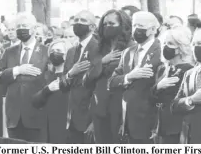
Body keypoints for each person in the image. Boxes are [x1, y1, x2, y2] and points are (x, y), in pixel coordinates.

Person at [107, 11, 162, 144]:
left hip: (150, 120)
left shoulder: (161, 51)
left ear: (153, 29)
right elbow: (111, 82)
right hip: (127, 120)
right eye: (134, 25)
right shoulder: (128, 52)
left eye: (140, 25)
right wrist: (129, 77)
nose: (136, 29)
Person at [0, 12, 49, 142]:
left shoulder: (46, 51)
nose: (20, 29)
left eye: (24, 25)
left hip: (37, 114)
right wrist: (17, 70)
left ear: (34, 29)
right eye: (18, 26)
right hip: (14, 117)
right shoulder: (9, 52)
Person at [90, 9, 134, 144]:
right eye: (104, 24)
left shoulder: (131, 48)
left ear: (122, 25)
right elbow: (89, 75)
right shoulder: (98, 47)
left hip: (120, 105)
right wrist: (102, 62)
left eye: (111, 23)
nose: (107, 27)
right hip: (100, 104)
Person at [59, 10, 101, 144]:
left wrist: (95, 121)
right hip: (72, 119)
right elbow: (63, 85)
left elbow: (100, 87)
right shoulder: (71, 51)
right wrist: (71, 73)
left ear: (93, 27)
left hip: (91, 118)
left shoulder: (100, 49)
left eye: (83, 21)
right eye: (76, 20)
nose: (78, 23)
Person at [150, 27, 194, 144]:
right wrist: (158, 87)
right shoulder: (163, 69)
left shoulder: (188, 70)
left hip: (177, 127)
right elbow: (152, 98)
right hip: (160, 125)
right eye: (164, 43)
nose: (165, 46)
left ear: (180, 48)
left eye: (170, 43)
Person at [32, 40, 70, 143]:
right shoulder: (46, 75)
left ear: (66, 54)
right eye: (52, 50)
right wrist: (47, 89)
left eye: (58, 50)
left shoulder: (71, 75)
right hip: (47, 126)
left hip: (66, 126)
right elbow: (35, 101)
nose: (54, 53)